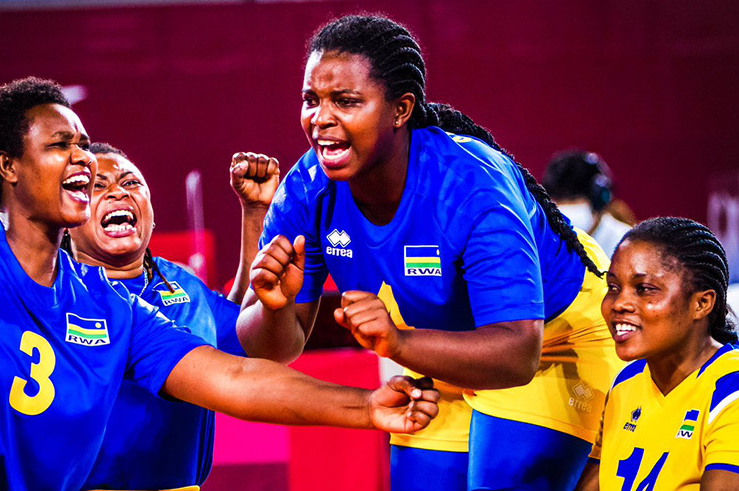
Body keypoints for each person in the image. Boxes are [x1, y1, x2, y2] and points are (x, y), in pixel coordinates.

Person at [0, 77, 440, 491]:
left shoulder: (110, 305)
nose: (83, 157)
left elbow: (237, 376)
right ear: (8, 166)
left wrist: (365, 407)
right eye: (62, 144)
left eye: (83, 144)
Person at [235, 15, 626, 491]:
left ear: (401, 109)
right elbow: (271, 348)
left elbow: (519, 354)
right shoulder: (307, 190)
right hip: (438, 349)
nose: (320, 118)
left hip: (551, 342)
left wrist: (398, 343)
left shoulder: (470, 186)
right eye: (310, 100)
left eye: (346, 101)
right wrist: (275, 310)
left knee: (500, 480)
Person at [62, 142, 279, 489]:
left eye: (131, 183)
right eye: (97, 186)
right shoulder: (52, 294)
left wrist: (255, 212)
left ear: (151, 211)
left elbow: (244, 337)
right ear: (68, 218)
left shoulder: (181, 284)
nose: (118, 192)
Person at [574, 217, 739, 490]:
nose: (619, 303)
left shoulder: (730, 389)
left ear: (702, 303)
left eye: (644, 289)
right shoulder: (625, 384)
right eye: (613, 288)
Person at [542, 150, 632, 256]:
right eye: (559, 200)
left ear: (599, 200)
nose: (567, 207)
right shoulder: (540, 241)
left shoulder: (626, 244)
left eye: (573, 199)